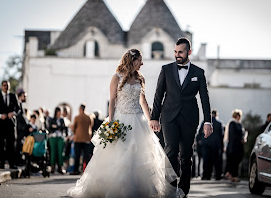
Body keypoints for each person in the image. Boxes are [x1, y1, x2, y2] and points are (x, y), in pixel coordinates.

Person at [67, 49, 184, 198]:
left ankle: (140, 189)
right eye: (139, 60)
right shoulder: (116, 77)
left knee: (140, 156)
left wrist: (150, 120)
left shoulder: (141, 78)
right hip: (121, 120)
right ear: (132, 60)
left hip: (139, 120)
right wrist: (111, 122)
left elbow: (143, 101)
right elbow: (112, 101)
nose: (142, 63)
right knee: (119, 155)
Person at [149, 37, 212, 196]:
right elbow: (158, 95)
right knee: (170, 151)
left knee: (186, 156)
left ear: (189, 52)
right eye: (175, 52)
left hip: (189, 119)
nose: (177, 55)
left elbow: (204, 97)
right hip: (168, 116)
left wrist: (207, 121)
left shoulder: (199, 72)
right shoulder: (166, 69)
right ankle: (170, 190)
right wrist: (154, 117)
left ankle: (183, 190)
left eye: (181, 52)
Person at [0, 81, 19, 169]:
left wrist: (13, 113)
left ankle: (11, 163)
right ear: (1, 87)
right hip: (1, 124)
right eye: (4, 85)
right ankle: (1, 163)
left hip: (10, 123)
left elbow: (18, 108)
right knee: (1, 143)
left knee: (11, 144)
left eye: (7, 85)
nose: (6, 87)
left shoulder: (13, 96)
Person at [200, 109, 223, 180]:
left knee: (206, 160)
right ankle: (217, 176)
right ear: (216, 115)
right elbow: (221, 135)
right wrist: (221, 147)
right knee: (216, 161)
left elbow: (200, 132)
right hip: (215, 144)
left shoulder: (205, 122)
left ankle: (206, 175)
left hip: (206, 143)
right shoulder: (219, 123)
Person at [224, 109, 246, 182]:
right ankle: (233, 175)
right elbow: (232, 135)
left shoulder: (240, 124)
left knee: (237, 160)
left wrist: (243, 138)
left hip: (239, 146)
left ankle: (230, 174)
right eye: (238, 115)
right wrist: (240, 139)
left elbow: (242, 133)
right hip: (233, 146)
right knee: (233, 161)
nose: (239, 117)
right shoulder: (232, 123)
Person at [71, 104, 92, 175]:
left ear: (80, 109)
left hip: (78, 139)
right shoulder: (89, 117)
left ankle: (76, 170)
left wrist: (75, 133)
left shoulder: (77, 117)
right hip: (86, 138)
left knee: (77, 156)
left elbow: (73, 128)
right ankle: (88, 170)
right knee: (87, 156)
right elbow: (91, 126)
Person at [49, 107, 67, 174]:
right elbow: (50, 127)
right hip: (53, 137)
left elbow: (64, 128)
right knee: (53, 152)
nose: (60, 114)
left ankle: (60, 167)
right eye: (58, 112)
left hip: (60, 137)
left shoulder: (62, 120)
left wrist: (56, 127)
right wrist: (59, 127)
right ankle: (52, 166)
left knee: (60, 152)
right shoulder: (52, 119)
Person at [15, 89, 29, 166]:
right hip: (20, 128)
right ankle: (17, 160)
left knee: (20, 144)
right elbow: (21, 116)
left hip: (21, 127)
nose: (26, 98)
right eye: (25, 96)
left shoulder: (20, 104)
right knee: (18, 144)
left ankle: (18, 159)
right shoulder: (18, 104)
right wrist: (28, 123)